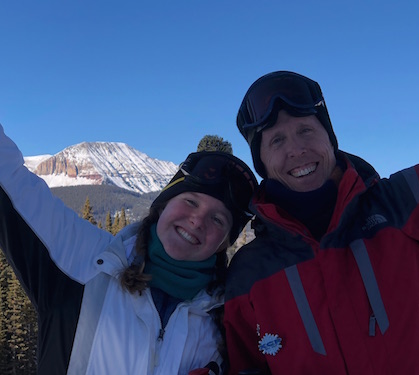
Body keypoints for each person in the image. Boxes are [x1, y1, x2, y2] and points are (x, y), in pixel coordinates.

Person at [224, 69, 419, 374]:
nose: (297, 150)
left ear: (330, 140)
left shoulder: (414, 203)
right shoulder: (249, 275)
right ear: (261, 161)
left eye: (306, 131)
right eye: (276, 141)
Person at [0, 125, 257, 375]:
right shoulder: (84, 259)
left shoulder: (226, 320)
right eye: (190, 201)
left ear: (224, 242)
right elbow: (9, 179)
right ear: (162, 206)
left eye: (217, 220)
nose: (198, 220)